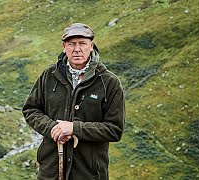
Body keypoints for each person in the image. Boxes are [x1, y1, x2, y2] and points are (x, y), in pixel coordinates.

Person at [22, 23, 125, 180]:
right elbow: (31, 110)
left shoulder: (109, 82)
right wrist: (52, 128)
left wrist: (74, 128)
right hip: (51, 171)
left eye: (82, 43)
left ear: (91, 45)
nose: (77, 49)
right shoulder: (49, 75)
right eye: (71, 44)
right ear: (64, 46)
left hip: (89, 173)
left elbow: (114, 129)